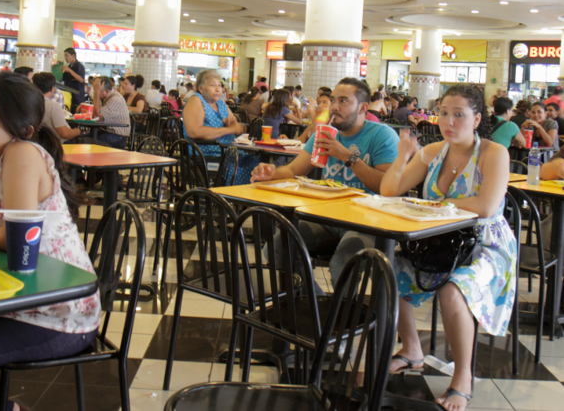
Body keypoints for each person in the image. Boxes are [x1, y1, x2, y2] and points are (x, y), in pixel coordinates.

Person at [0, 73, 100, 411]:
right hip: (1, 293)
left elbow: (15, 240)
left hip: (56, 310)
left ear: (22, 131)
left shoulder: (22, 153)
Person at [380, 84, 516, 411]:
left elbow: (485, 206)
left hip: (485, 247)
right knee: (390, 269)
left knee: (452, 291)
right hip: (439, 243)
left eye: (459, 115)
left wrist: (436, 205)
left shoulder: (493, 153)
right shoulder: (431, 152)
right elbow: (389, 190)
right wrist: (402, 157)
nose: (448, 122)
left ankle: (463, 377)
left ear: (476, 118)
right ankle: (412, 348)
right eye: (443, 113)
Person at [251, 78, 399, 285]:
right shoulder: (324, 134)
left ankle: (343, 316)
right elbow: (293, 169)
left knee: (343, 264)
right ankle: (311, 304)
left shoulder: (382, 136)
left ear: (363, 107)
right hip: (329, 218)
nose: (334, 107)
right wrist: (270, 172)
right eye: (333, 100)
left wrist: (348, 157)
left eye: (344, 101)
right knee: (278, 245)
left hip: (369, 223)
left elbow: (387, 187)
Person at [183, 69, 258, 185]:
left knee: (261, 165)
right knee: (252, 172)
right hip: (209, 155)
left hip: (229, 153)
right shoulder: (196, 100)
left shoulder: (220, 103)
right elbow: (194, 131)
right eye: (213, 85)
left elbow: (235, 127)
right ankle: (238, 199)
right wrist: (229, 129)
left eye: (220, 85)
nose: (218, 89)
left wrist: (233, 125)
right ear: (201, 88)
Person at [33, 72, 81, 143]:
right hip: (59, 144)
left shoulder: (30, 104)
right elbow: (65, 134)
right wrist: (77, 131)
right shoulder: (52, 105)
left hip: (40, 143)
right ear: (52, 88)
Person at [92, 76, 131, 148]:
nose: (94, 92)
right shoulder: (104, 98)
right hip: (105, 131)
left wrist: (96, 93)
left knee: (92, 144)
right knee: (81, 139)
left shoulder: (116, 99)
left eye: (97, 89)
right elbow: (94, 111)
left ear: (106, 91)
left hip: (118, 135)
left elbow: (96, 115)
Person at [61, 48, 86, 113]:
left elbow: (81, 80)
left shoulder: (79, 66)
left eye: (66, 55)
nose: (65, 57)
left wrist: (69, 70)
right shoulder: (68, 67)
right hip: (69, 96)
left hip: (77, 97)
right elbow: (62, 80)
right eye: (64, 55)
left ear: (73, 56)